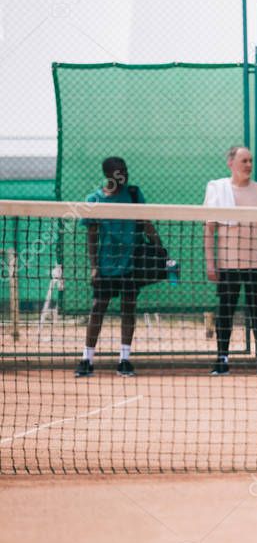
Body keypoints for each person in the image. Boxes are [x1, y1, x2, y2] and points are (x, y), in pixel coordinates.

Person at [75, 157, 163, 378]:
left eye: (125, 170)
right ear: (108, 174)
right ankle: (87, 359)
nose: (123, 174)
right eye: (118, 171)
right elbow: (92, 238)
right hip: (106, 265)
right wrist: (94, 267)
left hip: (131, 263)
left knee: (128, 309)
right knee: (98, 308)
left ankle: (124, 359)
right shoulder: (94, 200)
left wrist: (161, 250)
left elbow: (145, 223)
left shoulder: (133, 194)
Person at [203, 146, 257, 376]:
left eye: (250, 161)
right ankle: (222, 359)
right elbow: (209, 230)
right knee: (225, 311)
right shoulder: (218, 190)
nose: (248, 165)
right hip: (228, 264)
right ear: (231, 163)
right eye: (244, 160)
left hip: (256, 264)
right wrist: (210, 262)